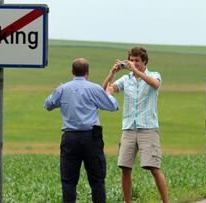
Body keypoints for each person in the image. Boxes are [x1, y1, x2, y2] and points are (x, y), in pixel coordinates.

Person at [44, 58, 118, 203]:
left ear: (72, 72)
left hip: (70, 138)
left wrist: (57, 91)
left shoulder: (63, 89)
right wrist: (109, 94)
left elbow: (48, 105)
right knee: (97, 180)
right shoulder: (94, 88)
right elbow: (112, 106)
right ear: (87, 73)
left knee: (68, 181)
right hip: (91, 138)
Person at [102, 47, 168, 203]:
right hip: (129, 128)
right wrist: (112, 73)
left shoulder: (154, 75)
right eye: (131, 60)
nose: (133, 63)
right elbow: (105, 90)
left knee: (154, 168)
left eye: (137, 61)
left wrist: (136, 72)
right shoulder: (126, 79)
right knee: (125, 168)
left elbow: (155, 85)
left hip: (148, 128)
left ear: (144, 61)